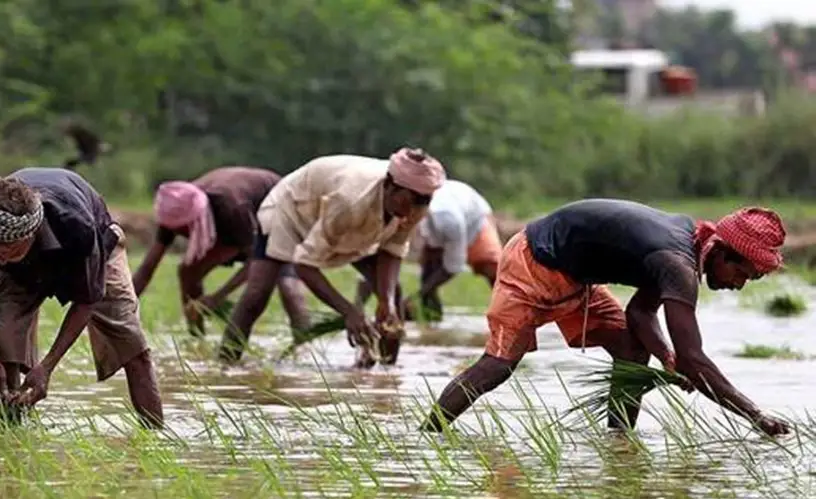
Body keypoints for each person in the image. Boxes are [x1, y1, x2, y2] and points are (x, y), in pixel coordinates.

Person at [421, 200, 791, 436]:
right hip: (533, 263)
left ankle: (618, 443)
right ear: (723, 253)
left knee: (632, 349)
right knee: (497, 366)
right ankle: (428, 434)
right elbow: (695, 359)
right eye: (744, 275)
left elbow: (640, 312)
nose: (740, 285)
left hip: (574, 279)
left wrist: (666, 357)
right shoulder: (677, 263)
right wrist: (755, 415)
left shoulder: (687, 246)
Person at [0, 168, 164, 428]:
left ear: (31, 233)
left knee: (132, 344)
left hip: (95, 252)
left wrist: (47, 367)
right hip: (20, 271)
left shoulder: (78, 227)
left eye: (11, 249)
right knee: (7, 344)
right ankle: (12, 436)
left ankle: (155, 434)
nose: (2, 258)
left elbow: (87, 300)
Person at [218, 148, 446, 366]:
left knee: (392, 297)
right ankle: (226, 363)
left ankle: (383, 372)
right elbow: (304, 264)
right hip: (292, 211)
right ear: (389, 186)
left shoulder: (415, 205)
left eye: (421, 204)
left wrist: (386, 303)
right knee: (257, 293)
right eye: (408, 202)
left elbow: (392, 251)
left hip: (349, 226)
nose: (412, 213)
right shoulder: (350, 200)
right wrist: (349, 311)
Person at [131, 167, 310, 336]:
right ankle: (196, 336)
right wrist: (120, 306)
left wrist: (218, 297)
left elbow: (255, 263)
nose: (183, 234)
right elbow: (148, 267)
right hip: (229, 225)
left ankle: (305, 346)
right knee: (188, 271)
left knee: (288, 288)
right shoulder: (174, 210)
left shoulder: (232, 209)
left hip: (278, 210)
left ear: (198, 218)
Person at [355, 178, 501, 320]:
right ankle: (430, 318)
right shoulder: (397, 216)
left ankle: (506, 313)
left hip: (474, 219)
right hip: (439, 224)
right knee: (428, 274)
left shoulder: (448, 221)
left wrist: (415, 297)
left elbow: (453, 266)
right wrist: (358, 308)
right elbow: (376, 260)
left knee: (492, 269)